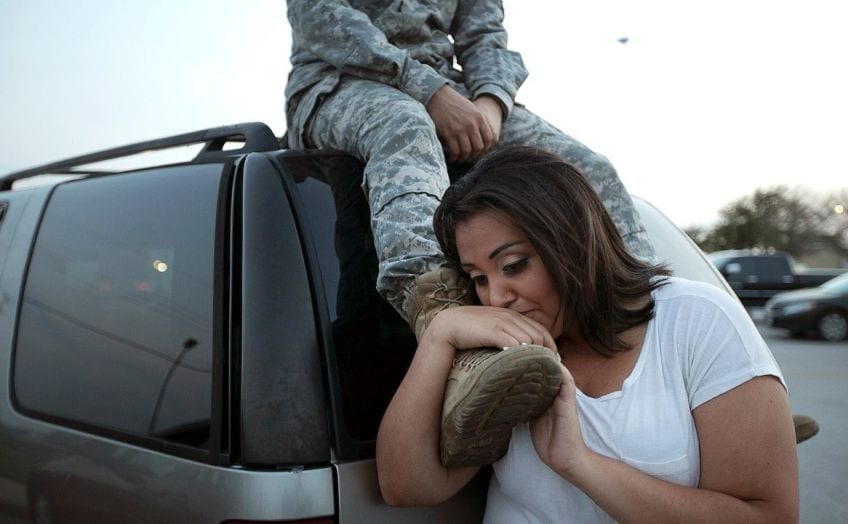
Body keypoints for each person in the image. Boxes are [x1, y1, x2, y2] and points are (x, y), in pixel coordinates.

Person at [284, 0, 656, 466]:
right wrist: (431, 92)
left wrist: (491, 105)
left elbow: (485, 35)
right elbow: (322, 20)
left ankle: (644, 317)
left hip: (457, 94)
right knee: (404, 125)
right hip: (338, 83)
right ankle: (461, 350)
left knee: (587, 168)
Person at [376, 147, 799, 522]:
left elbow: (768, 515)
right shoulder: (503, 354)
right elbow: (408, 488)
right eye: (477, 278)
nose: (496, 297)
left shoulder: (696, 320)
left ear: (571, 241)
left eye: (513, 265)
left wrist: (579, 464)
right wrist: (440, 335)